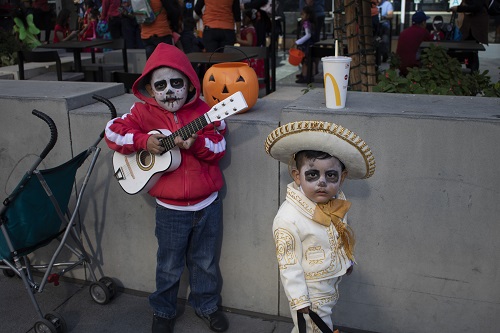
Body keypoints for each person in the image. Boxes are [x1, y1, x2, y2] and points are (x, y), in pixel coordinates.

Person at [104, 43, 229, 333]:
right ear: (150, 88)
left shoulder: (206, 113)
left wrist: (196, 143)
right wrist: (143, 141)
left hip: (207, 205)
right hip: (170, 209)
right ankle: (163, 310)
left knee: (205, 262)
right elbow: (112, 131)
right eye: (161, 85)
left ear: (189, 84)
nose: (170, 90)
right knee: (169, 264)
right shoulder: (142, 113)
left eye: (177, 82)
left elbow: (219, 147)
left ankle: (207, 305)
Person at [264, 120, 376, 333]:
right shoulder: (288, 218)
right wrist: (299, 299)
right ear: (297, 176)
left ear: (342, 178)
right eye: (313, 174)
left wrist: (347, 259)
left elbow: (340, 235)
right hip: (309, 291)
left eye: (330, 175)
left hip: (329, 284)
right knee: (316, 328)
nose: (322, 182)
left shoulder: (337, 204)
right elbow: (288, 263)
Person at [449, 0, 489, 72]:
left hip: (475, 27)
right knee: (468, 51)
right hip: (469, 27)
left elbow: (476, 7)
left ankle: (473, 73)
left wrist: (458, 8)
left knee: (472, 51)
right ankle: (471, 71)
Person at [395, 11, 432, 76]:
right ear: (423, 23)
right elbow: (431, 46)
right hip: (413, 67)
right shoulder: (423, 32)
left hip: (400, 66)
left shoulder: (404, 32)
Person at [294, 5, 315, 84]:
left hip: (306, 46)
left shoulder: (306, 23)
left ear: (308, 15)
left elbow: (308, 35)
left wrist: (298, 42)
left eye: (303, 14)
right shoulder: (308, 23)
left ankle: (305, 76)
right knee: (305, 61)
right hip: (306, 45)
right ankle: (304, 74)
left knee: (305, 61)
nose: (301, 16)